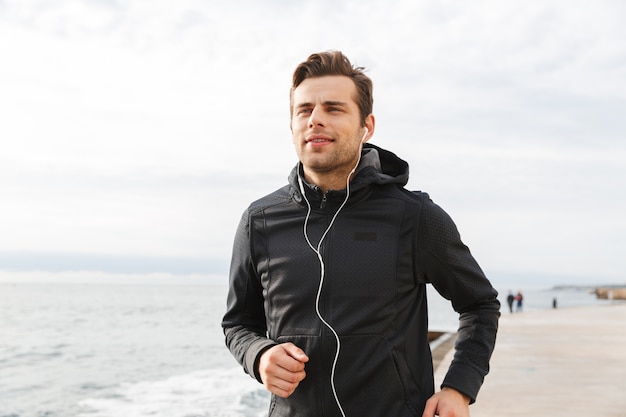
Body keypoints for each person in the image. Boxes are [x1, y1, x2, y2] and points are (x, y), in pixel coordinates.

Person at [222, 50, 500, 417]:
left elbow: (479, 304)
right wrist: (259, 356)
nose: (315, 119)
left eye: (333, 109)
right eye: (304, 110)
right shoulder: (259, 221)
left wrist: (458, 388)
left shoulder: (414, 217)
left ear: (366, 125)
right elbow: (238, 324)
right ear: (292, 125)